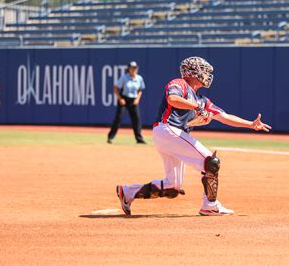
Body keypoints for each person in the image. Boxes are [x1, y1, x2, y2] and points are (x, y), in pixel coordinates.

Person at [116, 56, 271, 216]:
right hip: (168, 130)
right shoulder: (180, 84)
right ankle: (210, 205)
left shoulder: (202, 99)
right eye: (203, 70)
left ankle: (127, 192)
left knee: (172, 186)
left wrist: (251, 124)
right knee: (210, 162)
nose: (206, 74)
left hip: (169, 136)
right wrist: (197, 106)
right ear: (193, 72)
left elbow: (224, 117)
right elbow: (173, 99)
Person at [107, 61, 146, 144]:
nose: (134, 69)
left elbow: (140, 90)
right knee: (118, 118)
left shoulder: (139, 78)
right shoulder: (124, 77)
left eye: (135, 68)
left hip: (134, 100)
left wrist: (137, 99)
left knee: (136, 120)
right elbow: (115, 88)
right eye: (132, 68)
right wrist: (120, 98)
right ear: (129, 69)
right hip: (124, 99)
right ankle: (110, 137)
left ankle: (139, 139)